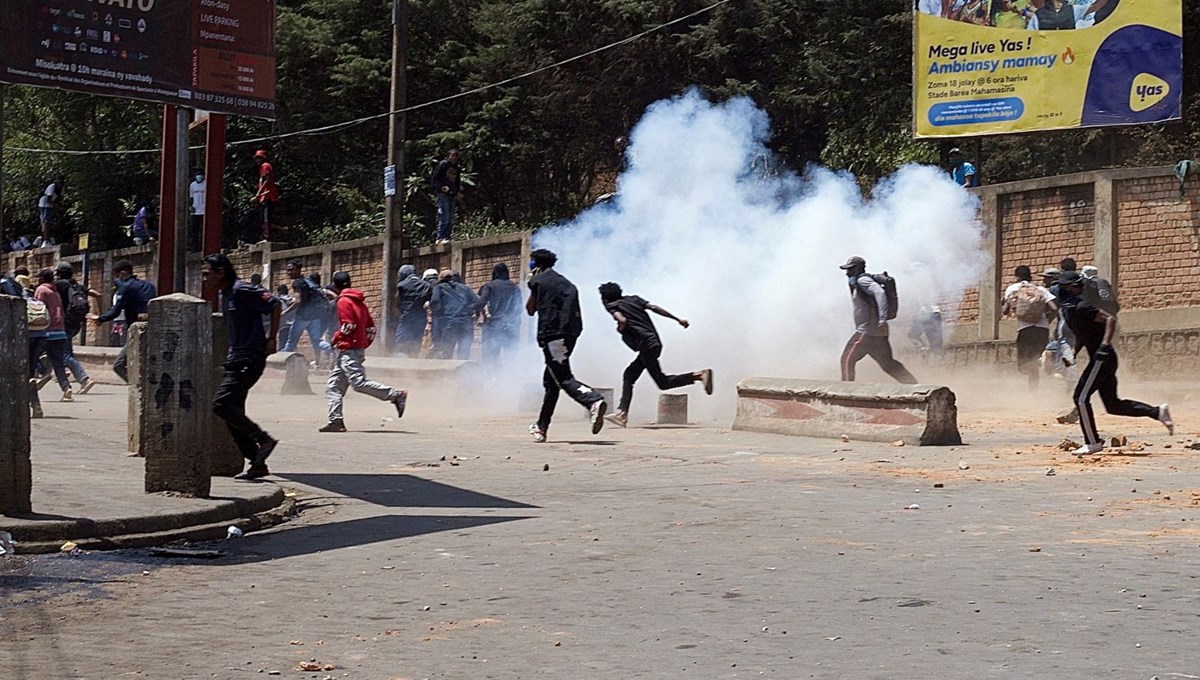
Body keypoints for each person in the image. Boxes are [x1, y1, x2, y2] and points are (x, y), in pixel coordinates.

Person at [1056, 271, 1172, 456]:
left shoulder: (1082, 306)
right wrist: (1073, 354)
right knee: (1113, 405)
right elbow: (1082, 335)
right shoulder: (1069, 311)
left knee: (1080, 397)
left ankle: (1092, 442)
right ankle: (1157, 412)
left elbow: (1110, 318)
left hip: (1103, 357)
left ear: (1075, 288)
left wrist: (1104, 345)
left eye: (1064, 287)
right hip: (1102, 358)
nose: (1060, 290)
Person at [202, 253, 281, 480]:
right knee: (231, 413)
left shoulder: (241, 289)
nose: (204, 279)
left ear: (221, 272)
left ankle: (263, 439)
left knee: (221, 404)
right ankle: (257, 463)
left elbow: (274, 304)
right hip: (236, 357)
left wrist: (272, 338)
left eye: (207, 274)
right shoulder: (225, 294)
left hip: (250, 357)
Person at [598, 282, 712, 429]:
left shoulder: (612, 305)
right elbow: (654, 308)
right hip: (654, 342)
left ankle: (698, 375)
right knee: (630, 375)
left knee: (662, 382)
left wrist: (620, 329)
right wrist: (677, 319)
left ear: (604, 299)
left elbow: (622, 320)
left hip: (645, 345)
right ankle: (622, 414)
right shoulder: (634, 299)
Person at [525, 248, 607, 442]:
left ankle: (593, 401)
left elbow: (530, 309)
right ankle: (541, 426)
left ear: (536, 264)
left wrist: (531, 284)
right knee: (551, 382)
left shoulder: (538, 280)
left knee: (563, 378)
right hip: (570, 334)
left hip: (553, 334)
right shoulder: (566, 283)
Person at [319, 271, 408, 432]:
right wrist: (363, 344)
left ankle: (396, 395)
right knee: (334, 386)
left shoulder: (343, 302)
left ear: (335, 285)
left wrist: (335, 338)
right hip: (351, 349)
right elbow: (371, 328)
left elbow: (348, 326)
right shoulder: (359, 302)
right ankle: (336, 421)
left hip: (348, 349)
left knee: (358, 383)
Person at [838, 256, 918, 384]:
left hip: (866, 332)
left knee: (847, 359)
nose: (847, 273)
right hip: (878, 334)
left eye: (850, 269)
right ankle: (914, 386)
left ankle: (845, 392)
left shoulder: (863, 280)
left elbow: (879, 293)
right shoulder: (860, 282)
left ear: (858, 268)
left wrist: (882, 319)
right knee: (888, 364)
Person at [91, 260, 156, 382]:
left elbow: (115, 311)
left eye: (116, 276)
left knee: (119, 365)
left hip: (136, 332)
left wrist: (100, 318)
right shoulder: (149, 286)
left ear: (122, 274)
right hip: (153, 329)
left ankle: (137, 387)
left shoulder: (126, 288)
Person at [1001, 265, 1058, 391]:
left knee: (1023, 366)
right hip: (1042, 329)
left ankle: (1040, 361)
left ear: (1016, 276)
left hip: (1025, 330)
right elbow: (1054, 308)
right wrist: (1047, 321)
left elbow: (1005, 311)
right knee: (1034, 366)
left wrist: (1007, 305)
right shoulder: (1040, 289)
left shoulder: (1012, 289)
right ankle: (1033, 393)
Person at [52, 262, 97, 395]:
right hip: (76, 324)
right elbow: (97, 294)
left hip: (64, 323)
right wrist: (98, 313)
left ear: (59, 274)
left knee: (66, 354)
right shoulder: (77, 286)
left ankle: (85, 379)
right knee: (63, 352)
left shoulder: (60, 284)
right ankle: (63, 373)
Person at [34, 269, 75, 401]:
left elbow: (37, 308)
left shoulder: (41, 290)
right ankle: (66, 387)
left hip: (46, 330)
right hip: (60, 331)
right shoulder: (55, 292)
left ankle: (43, 373)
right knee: (58, 363)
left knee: (33, 355)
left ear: (42, 279)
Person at [280, 260, 331, 360]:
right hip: (315, 317)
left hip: (302, 317)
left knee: (290, 344)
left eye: (291, 270)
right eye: (288, 270)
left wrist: (285, 312)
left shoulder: (297, 283)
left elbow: (298, 301)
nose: (289, 272)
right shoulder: (308, 280)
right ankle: (332, 348)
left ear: (298, 269)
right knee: (317, 342)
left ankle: (278, 363)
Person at [476, 263, 522, 369]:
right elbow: (519, 307)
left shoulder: (490, 286)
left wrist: (471, 308)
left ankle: (492, 379)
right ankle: (509, 380)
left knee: (490, 355)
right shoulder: (515, 287)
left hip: (495, 325)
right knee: (510, 356)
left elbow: (481, 302)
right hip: (512, 326)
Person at [429, 269, 480, 359]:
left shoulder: (439, 287)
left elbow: (435, 301)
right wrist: (468, 309)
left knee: (447, 352)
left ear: (440, 279)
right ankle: (464, 372)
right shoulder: (465, 288)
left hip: (450, 323)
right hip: (466, 323)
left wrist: (437, 311)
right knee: (464, 353)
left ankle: (446, 372)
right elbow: (477, 302)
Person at [394, 264, 432, 357]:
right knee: (416, 343)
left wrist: (402, 311)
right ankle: (413, 363)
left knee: (401, 342)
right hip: (420, 319)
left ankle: (402, 366)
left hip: (406, 318)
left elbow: (397, 302)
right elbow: (429, 303)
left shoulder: (401, 285)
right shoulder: (427, 285)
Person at [431, 149, 461, 244]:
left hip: (451, 194)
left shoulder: (456, 168)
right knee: (444, 214)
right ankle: (440, 237)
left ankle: (447, 236)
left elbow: (457, 182)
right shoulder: (443, 164)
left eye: (455, 156)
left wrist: (456, 192)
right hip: (443, 193)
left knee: (451, 216)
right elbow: (435, 178)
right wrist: (440, 187)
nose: (453, 158)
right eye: (452, 155)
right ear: (448, 156)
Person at [254, 149, 279, 243]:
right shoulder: (262, 168)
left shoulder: (265, 166)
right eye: (257, 158)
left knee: (266, 218)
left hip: (268, 196)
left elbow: (267, 180)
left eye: (259, 158)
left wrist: (259, 192)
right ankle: (266, 236)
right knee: (264, 218)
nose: (257, 160)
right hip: (264, 197)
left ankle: (267, 238)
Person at [37, 176, 65, 245]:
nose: (60, 184)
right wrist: (58, 207)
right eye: (58, 183)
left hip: (52, 204)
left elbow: (59, 199)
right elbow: (48, 200)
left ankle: (50, 238)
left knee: (53, 221)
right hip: (44, 204)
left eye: (61, 183)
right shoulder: (52, 187)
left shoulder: (62, 188)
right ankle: (45, 240)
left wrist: (59, 209)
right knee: (46, 221)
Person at [189, 171, 206, 251]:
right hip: (195, 211)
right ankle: (195, 247)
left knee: (204, 230)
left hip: (204, 210)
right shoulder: (192, 185)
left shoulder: (206, 184)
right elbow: (191, 197)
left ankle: (203, 246)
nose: (199, 176)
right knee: (194, 230)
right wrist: (191, 206)